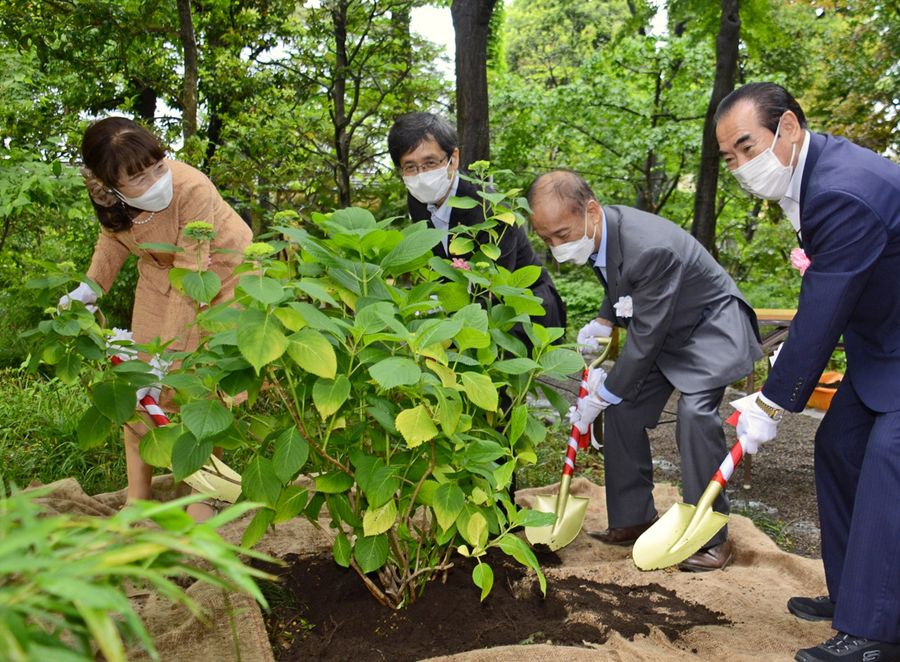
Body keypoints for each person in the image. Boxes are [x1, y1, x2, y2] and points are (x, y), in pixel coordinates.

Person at [716, 82, 900, 661]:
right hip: (886, 346)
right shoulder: (816, 176)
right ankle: (854, 597)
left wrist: (771, 402)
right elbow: (834, 295)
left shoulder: (843, 189)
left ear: (789, 128)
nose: (742, 166)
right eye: (731, 158)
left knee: (887, 464)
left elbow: (823, 308)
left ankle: (875, 633)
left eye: (748, 147)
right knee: (839, 447)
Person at [528, 169, 762, 571]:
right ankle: (634, 518)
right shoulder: (601, 231)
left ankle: (711, 537)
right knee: (622, 412)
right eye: (546, 239)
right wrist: (605, 319)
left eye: (562, 236)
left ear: (591, 211)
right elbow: (620, 282)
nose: (556, 247)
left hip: (709, 328)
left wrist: (602, 393)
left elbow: (646, 336)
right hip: (666, 329)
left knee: (693, 415)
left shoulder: (649, 247)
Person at [59, 117, 252, 521]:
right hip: (159, 275)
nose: (155, 181)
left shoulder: (192, 189)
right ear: (108, 185)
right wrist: (91, 287)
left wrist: (170, 357)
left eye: (158, 167)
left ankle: (204, 499)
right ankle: (138, 500)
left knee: (204, 389)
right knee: (139, 388)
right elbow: (113, 236)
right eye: (139, 180)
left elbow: (192, 275)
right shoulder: (107, 197)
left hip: (221, 277)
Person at [387, 112, 566, 338]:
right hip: (463, 314)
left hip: (522, 313)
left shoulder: (491, 209)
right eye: (410, 167)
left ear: (454, 158)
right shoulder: (418, 201)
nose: (421, 176)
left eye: (430, 162)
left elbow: (493, 286)